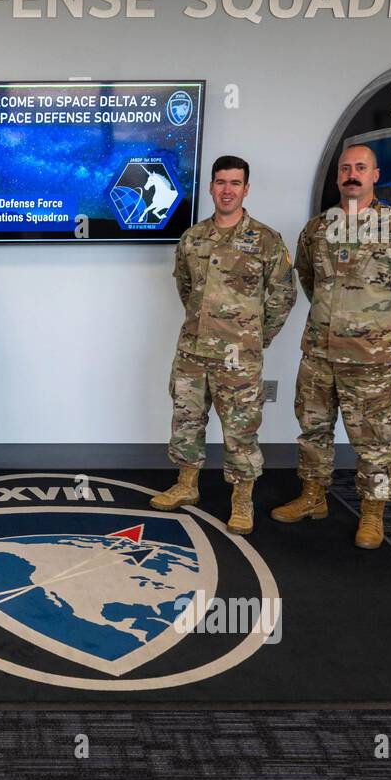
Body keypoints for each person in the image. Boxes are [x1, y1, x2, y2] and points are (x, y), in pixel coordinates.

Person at [271, 144, 391, 548]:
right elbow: (309, 280)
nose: (352, 174)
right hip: (319, 353)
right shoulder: (315, 230)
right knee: (313, 431)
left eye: (361, 168)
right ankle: (313, 497)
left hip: (369, 359)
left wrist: (385, 325)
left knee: (374, 440)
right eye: (346, 168)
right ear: (337, 177)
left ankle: (373, 512)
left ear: (375, 176)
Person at [151, 156, 296, 533]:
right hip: (193, 351)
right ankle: (186, 485)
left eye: (235, 183)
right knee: (186, 421)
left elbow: (282, 295)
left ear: (246, 189)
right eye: (220, 182)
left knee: (241, 429)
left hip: (238, 358)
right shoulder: (193, 238)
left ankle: (242, 499)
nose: (227, 190)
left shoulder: (266, 240)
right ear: (211, 187)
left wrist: (254, 337)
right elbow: (185, 286)